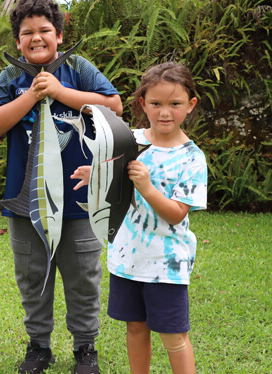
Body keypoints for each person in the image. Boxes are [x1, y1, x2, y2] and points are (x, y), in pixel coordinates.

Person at [0, 0, 123, 373]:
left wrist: (59, 92)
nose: (37, 37)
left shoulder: (77, 67)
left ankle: (85, 347)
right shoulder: (12, 76)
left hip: (81, 200)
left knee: (83, 276)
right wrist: (32, 94)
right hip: (25, 203)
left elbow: (115, 105)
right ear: (17, 42)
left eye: (45, 30)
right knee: (32, 277)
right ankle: (39, 345)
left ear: (59, 35)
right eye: (28, 33)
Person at [84, 62, 205, 374]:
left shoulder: (192, 158)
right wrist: (95, 173)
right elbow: (113, 177)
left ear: (190, 106)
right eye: (156, 104)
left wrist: (147, 187)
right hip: (127, 258)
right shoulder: (129, 141)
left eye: (175, 104)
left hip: (166, 264)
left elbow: (177, 214)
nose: (165, 112)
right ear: (142, 104)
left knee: (173, 335)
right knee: (135, 328)